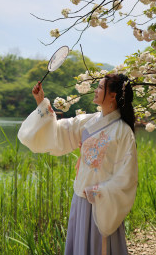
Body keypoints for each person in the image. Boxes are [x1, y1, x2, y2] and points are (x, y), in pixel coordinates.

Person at [18, 73, 138, 255]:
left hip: (102, 203)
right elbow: (58, 132)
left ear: (113, 96)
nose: (95, 90)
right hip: (81, 198)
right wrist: (41, 102)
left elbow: (127, 177)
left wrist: (99, 191)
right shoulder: (88, 121)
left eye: (100, 87)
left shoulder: (123, 131)